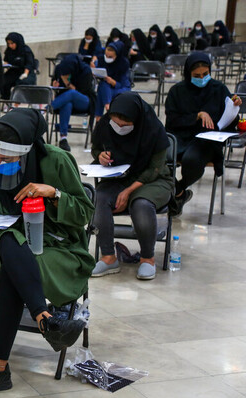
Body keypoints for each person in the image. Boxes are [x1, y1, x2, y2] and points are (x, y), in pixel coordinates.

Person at [0, 109, 94, 395]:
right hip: (7, 241)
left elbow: (84, 213)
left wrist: (54, 194)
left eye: (8, 159)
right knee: (10, 241)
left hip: (56, 247)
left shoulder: (57, 160)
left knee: (12, 270)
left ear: (27, 151)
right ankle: (46, 319)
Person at [90, 93, 174, 280]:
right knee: (99, 198)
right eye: (115, 123)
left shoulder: (153, 129)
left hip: (154, 180)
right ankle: (108, 257)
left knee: (141, 204)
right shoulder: (105, 124)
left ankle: (147, 259)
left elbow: (155, 169)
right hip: (119, 177)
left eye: (124, 125)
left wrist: (128, 191)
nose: (119, 128)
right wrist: (100, 156)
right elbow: (96, 148)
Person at [165, 52, 242, 216]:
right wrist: (197, 116)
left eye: (205, 74)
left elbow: (229, 120)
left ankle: (179, 190)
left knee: (191, 160)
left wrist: (235, 108)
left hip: (207, 140)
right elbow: (172, 121)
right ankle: (177, 194)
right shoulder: (177, 91)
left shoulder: (219, 89)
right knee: (158, 157)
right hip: (181, 136)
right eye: (196, 76)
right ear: (188, 74)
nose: (201, 78)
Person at [50, 53, 96, 152]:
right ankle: (63, 138)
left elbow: (81, 91)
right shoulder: (59, 68)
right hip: (65, 100)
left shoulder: (85, 70)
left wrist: (67, 82)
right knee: (67, 104)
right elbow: (54, 84)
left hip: (84, 100)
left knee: (72, 93)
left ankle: (49, 107)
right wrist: (55, 84)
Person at [92, 41, 131, 120]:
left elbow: (124, 85)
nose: (107, 58)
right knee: (103, 85)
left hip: (120, 89)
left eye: (110, 57)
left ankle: (99, 118)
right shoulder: (101, 60)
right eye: (106, 55)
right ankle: (108, 106)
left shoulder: (123, 64)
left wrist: (112, 82)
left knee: (101, 92)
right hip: (107, 89)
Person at [1, 32, 37, 100]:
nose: (10, 46)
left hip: (26, 72)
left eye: (12, 43)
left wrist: (25, 73)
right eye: (8, 44)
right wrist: (5, 63)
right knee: (3, 82)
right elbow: (7, 61)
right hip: (13, 71)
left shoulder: (26, 50)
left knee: (23, 83)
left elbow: (29, 63)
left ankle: (18, 101)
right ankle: (6, 100)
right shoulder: (9, 51)